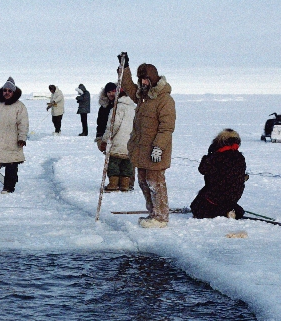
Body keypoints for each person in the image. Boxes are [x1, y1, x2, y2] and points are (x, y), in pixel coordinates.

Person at [118, 53, 176, 228]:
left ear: (153, 78)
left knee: (155, 182)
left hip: (155, 151)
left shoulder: (165, 100)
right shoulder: (144, 97)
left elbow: (166, 127)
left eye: (145, 80)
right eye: (141, 80)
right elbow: (127, 86)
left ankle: (161, 217)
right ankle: (153, 214)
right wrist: (124, 67)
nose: (142, 83)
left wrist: (159, 147)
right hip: (142, 149)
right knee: (143, 182)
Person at [189, 129, 248, 219]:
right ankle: (230, 210)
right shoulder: (240, 157)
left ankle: (223, 212)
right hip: (234, 195)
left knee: (196, 208)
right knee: (226, 203)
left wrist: (207, 156)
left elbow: (202, 170)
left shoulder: (216, 157)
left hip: (215, 194)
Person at [97, 86, 135, 192]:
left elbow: (112, 126)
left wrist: (105, 140)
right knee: (127, 164)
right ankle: (125, 185)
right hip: (130, 142)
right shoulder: (133, 107)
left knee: (113, 163)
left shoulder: (117, 108)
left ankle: (113, 185)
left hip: (117, 142)